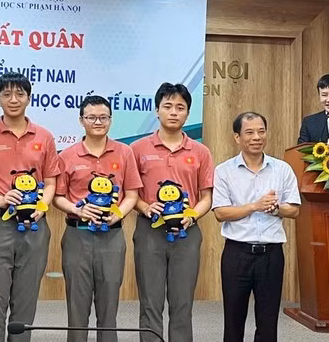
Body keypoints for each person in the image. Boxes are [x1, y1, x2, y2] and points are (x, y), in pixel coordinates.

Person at [0, 72, 60, 342]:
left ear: (29, 98)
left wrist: (43, 205)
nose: (14, 99)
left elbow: (52, 181)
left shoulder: (44, 136)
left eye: (20, 94)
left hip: (34, 225)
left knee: (26, 297)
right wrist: (0, 199)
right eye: (6, 94)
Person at [130, 83, 215, 342]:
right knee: (150, 302)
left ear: (188, 114)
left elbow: (206, 197)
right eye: (167, 106)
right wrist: (145, 207)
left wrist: (193, 215)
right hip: (149, 232)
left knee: (182, 303)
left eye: (180, 107)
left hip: (187, 234)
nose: (174, 112)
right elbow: (129, 194)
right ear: (156, 110)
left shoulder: (201, 152)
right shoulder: (137, 149)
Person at [53, 95, 142, 342]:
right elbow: (58, 197)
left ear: (111, 120)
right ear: (81, 120)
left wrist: (119, 213)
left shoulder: (124, 153)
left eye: (103, 117)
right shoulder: (67, 155)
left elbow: (132, 194)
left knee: (109, 306)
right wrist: (77, 209)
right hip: (77, 235)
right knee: (77, 307)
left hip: (112, 238)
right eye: (91, 117)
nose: (97, 122)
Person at [212, 112, 301, 342]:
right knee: (233, 320)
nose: (257, 137)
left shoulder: (282, 169)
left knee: (268, 322)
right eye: (249, 132)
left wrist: (275, 208)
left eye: (261, 131)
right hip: (236, 254)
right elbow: (221, 213)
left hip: (271, 256)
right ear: (237, 137)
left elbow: (294, 210)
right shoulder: (224, 171)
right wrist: (255, 206)